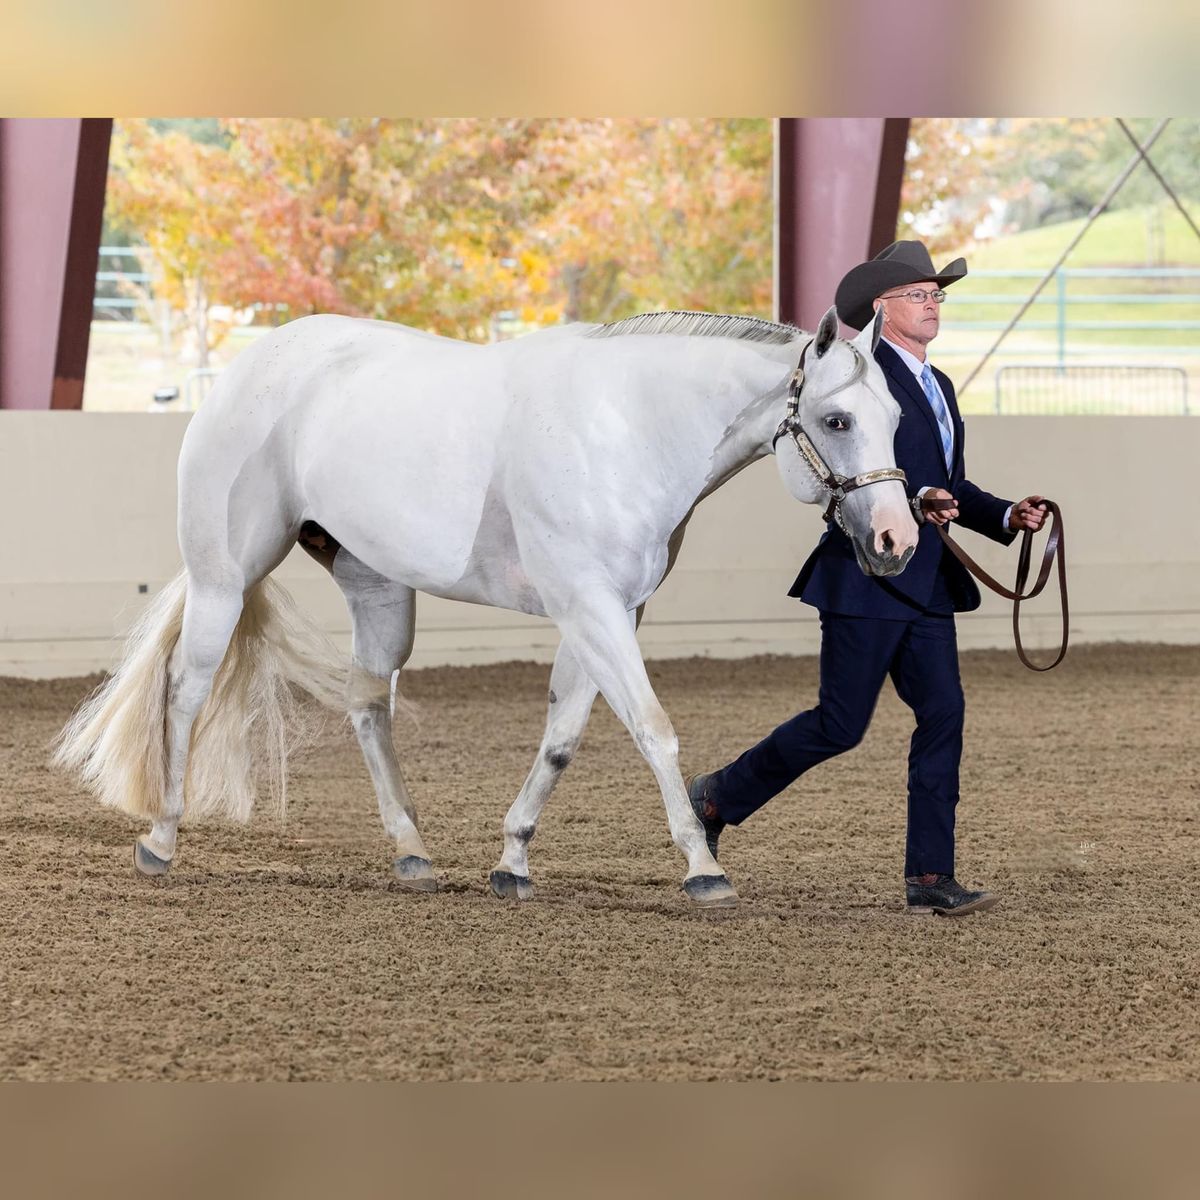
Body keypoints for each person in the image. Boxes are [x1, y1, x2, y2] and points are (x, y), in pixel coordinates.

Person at [688, 240, 1048, 916]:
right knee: (839, 725)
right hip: (867, 576)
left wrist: (1004, 514)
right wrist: (912, 504)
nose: (933, 303)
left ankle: (929, 877)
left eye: (938, 293)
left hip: (929, 582)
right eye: (919, 294)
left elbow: (948, 483)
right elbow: (857, 474)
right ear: (882, 306)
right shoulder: (857, 374)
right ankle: (717, 796)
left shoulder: (937, 385)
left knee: (944, 714)